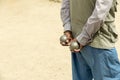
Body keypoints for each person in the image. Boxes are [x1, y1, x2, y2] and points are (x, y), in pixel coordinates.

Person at [60, 0, 120, 80]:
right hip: (99, 42)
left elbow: (65, 5)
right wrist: (83, 38)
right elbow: (99, 15)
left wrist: (68, 29)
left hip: (77, 41)